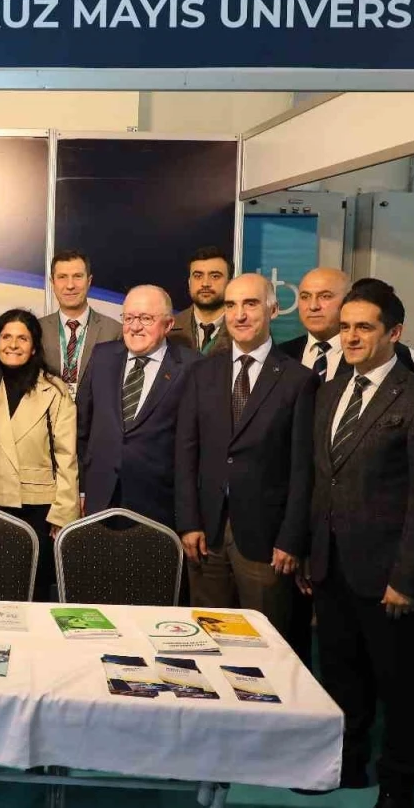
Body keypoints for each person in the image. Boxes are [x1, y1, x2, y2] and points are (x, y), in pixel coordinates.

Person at [301, 281, 414, 807]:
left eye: (364, 327)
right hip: (331, 568)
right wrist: (311, 554)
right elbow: (322, 481)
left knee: (400, 685)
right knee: (341, 677)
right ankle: (348, 764)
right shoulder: (328, 393)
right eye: (345, 327)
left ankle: (397, 784)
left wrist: (406, 579)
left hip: (389, 576)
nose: (350, 336)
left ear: (394, 332)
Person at [279, 267, 414, 664]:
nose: (313, 305)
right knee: (321, 661)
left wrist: (406, 574)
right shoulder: (291, 362)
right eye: (305, 296)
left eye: (325, 296)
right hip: (311, 544)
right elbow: (306, 465)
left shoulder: (408, 382)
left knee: (383, 669)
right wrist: (300, 540)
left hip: (375, 559)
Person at [174, 273, 317, 637]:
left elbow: (303, 469)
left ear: (273, 309)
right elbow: (186, 452)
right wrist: (188, 521)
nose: (239, 315)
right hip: (206, 534)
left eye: (250, 304)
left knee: (266, 642)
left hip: (266, 539)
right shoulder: (202, 372)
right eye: (231, 305)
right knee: (208, 638)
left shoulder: (298, 380)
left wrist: (291, 538)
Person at [77, 285, 200, 526]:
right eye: (129, 318)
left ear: (168, 324)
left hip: (159, 504)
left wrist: (190, 517)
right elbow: (81, 427)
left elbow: (197, 446)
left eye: (145, 318)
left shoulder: (191, 367)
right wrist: (82, 488)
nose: (135, 327)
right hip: (99, 498)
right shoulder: (102, 356)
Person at [0, 309, 78, 601]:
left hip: (38, 510)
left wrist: (63, 513)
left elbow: (67, 456)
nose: (13, 345)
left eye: (22, 338)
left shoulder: (55, 390)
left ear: (34, 346)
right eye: (6, 337)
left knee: (33, 594)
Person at [39, 250, 121, 398]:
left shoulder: (114, 331)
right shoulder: (37, 330)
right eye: (62, 277)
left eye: (77, 276)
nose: (70, 285)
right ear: (52, 282)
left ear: (89, 281)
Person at [168, 246, 232, 356]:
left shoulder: (244, 329)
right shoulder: (168, 329)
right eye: (198, 276)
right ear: (189, 283)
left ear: (230, 283)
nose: (205, 283)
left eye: (215, 276)